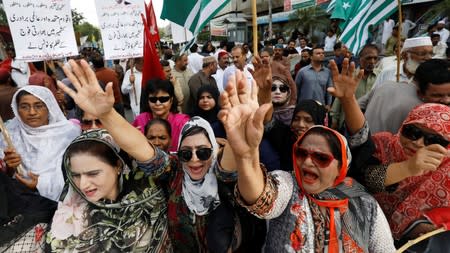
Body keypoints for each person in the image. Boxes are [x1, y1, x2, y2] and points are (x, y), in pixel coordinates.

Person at [58, 59, 266, 253]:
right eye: (186, 153)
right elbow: (141, 148)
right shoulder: (175, 172)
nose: (194, 159)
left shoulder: (219, 172)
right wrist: (107, 114)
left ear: (214, 151)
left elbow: (230, 165)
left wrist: (238, 139)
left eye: (203, 152)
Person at [216, 60, 396, 251]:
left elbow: (361, 141)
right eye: (301, 153)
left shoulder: (364, 204)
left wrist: (348, 99)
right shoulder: (289, 185)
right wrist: (246, 157)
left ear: (341, 166)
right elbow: (261, 198)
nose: (308, 161)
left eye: (321, 158)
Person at [47, 129, 172, 252]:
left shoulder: (151, 200)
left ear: (118, 165)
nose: (83, 184)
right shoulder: (70, 217)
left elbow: (156, 160)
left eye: (93, 174)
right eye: (76, 175)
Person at [0, 86, 80, 201]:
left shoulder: (69, 133)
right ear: (17, 110)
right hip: (23, 203)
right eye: (24, 107)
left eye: (38, 106)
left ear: (49, 107)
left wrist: (40, 184)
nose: (32, 112)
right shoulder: (8, 135)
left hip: (65, 203)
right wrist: (10, 167)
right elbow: (6, 176)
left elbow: (79, 173)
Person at [133, 78, 189, 152]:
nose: (158, 103)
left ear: (171, 100)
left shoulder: (183, 122)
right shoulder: (140, 120)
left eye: (163, 99)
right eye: (153, 99)